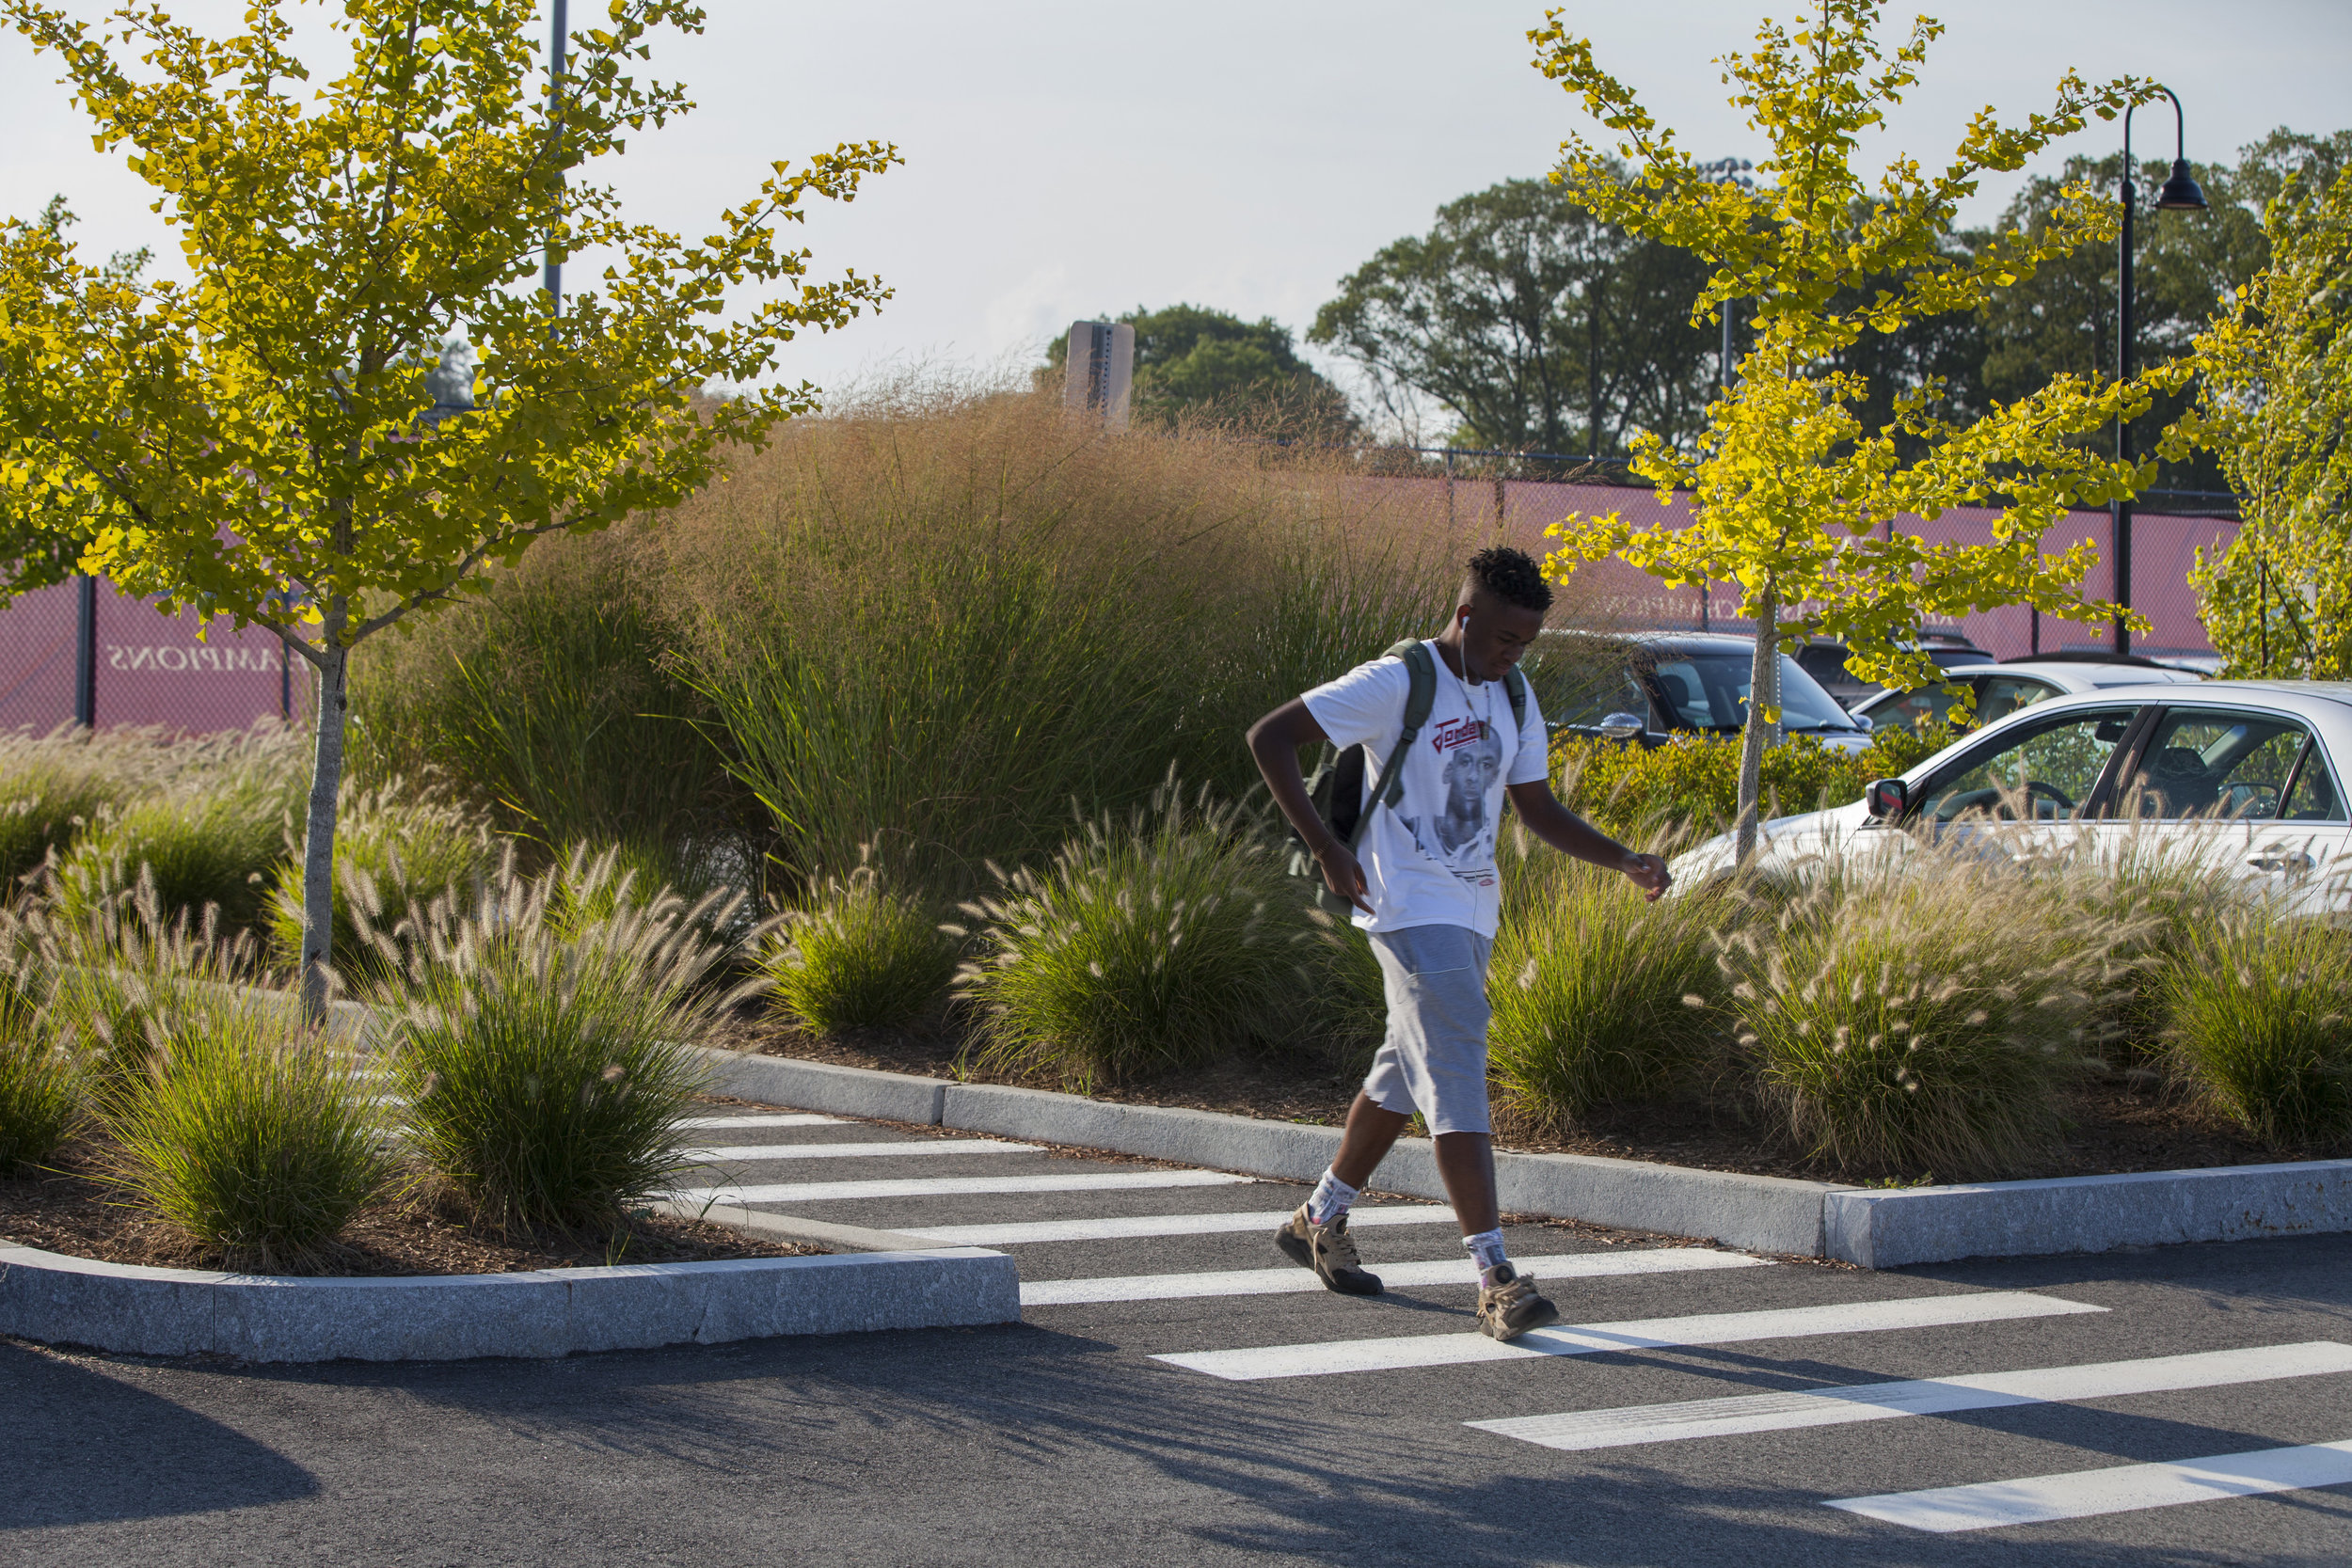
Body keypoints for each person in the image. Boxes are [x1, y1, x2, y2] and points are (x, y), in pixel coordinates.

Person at [1245, 546, 1672, 1340]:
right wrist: (1326, 848)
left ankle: (1317, 1218)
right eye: (1507, 637)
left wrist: (1622, 857)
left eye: (1529, 641)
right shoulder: (1397, 680)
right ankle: (1495, 1277)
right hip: (1406, 904)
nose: (1518, 653)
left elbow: (1536, 806)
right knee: (1458, 1064)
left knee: (1403, 1072)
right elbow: (1270, 738)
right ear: (1468, 616)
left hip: (1474, 908)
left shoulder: (1514, 691)